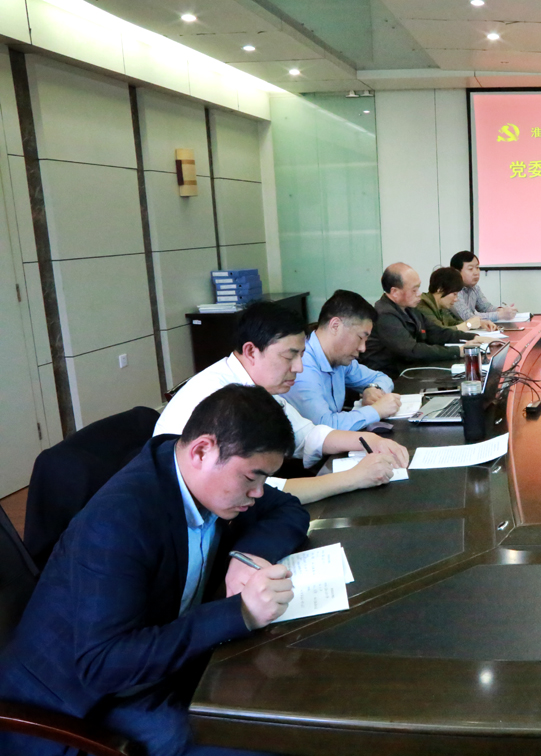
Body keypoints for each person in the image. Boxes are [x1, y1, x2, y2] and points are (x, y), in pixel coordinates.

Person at [0, 385, 308, 756]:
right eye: (251, 478)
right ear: (202, 451)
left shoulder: (205, 481)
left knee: (280, 699)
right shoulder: (120, 521)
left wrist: (247, 555)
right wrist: (239, 612)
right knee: (262, 737)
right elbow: (104, 665)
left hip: (155, 654)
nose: (258, 492)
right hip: (79, 703)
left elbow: (289, 509)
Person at [154, 301, 408, 504]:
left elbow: (307, 436)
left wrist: (370, 440)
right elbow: (254, 492)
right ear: (251, 351)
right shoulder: (219, 399)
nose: (298, 368)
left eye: (302, 356)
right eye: (290, 356)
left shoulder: (260, 385)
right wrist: (353, 478)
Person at [283, 289, 402, 431]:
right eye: (360, 337)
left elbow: (381, 377)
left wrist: (373, 389)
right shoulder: (302, 366)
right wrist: (377, 410)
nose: (363, 348)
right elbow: (325, 427)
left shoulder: (340, 359)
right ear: (335, 326)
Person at [361, 263, 496, 377]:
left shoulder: (409, 308)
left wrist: (474, 337)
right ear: (395, 292)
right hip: (392, 378)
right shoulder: (385, 315)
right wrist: (459, 351)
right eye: (414, 290)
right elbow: (412, 350)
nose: (419, 293)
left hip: (411, 370)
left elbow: (436, 332)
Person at [450, 250, 517, 325]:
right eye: (470, 269)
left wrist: (502, 310)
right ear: (457, 272)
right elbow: (468, 317)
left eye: (477, 267)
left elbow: (486, 307)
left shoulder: (475, 288)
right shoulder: (453, 290)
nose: (476, 273)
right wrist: (500, 315)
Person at [418, 267, 481, 331]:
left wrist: (478, 324)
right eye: (454, 294)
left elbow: (452, 323)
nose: (456, 299)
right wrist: (468, 325)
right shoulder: (423, 305)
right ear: (440, 289)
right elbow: (439, 331)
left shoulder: (441, 307)